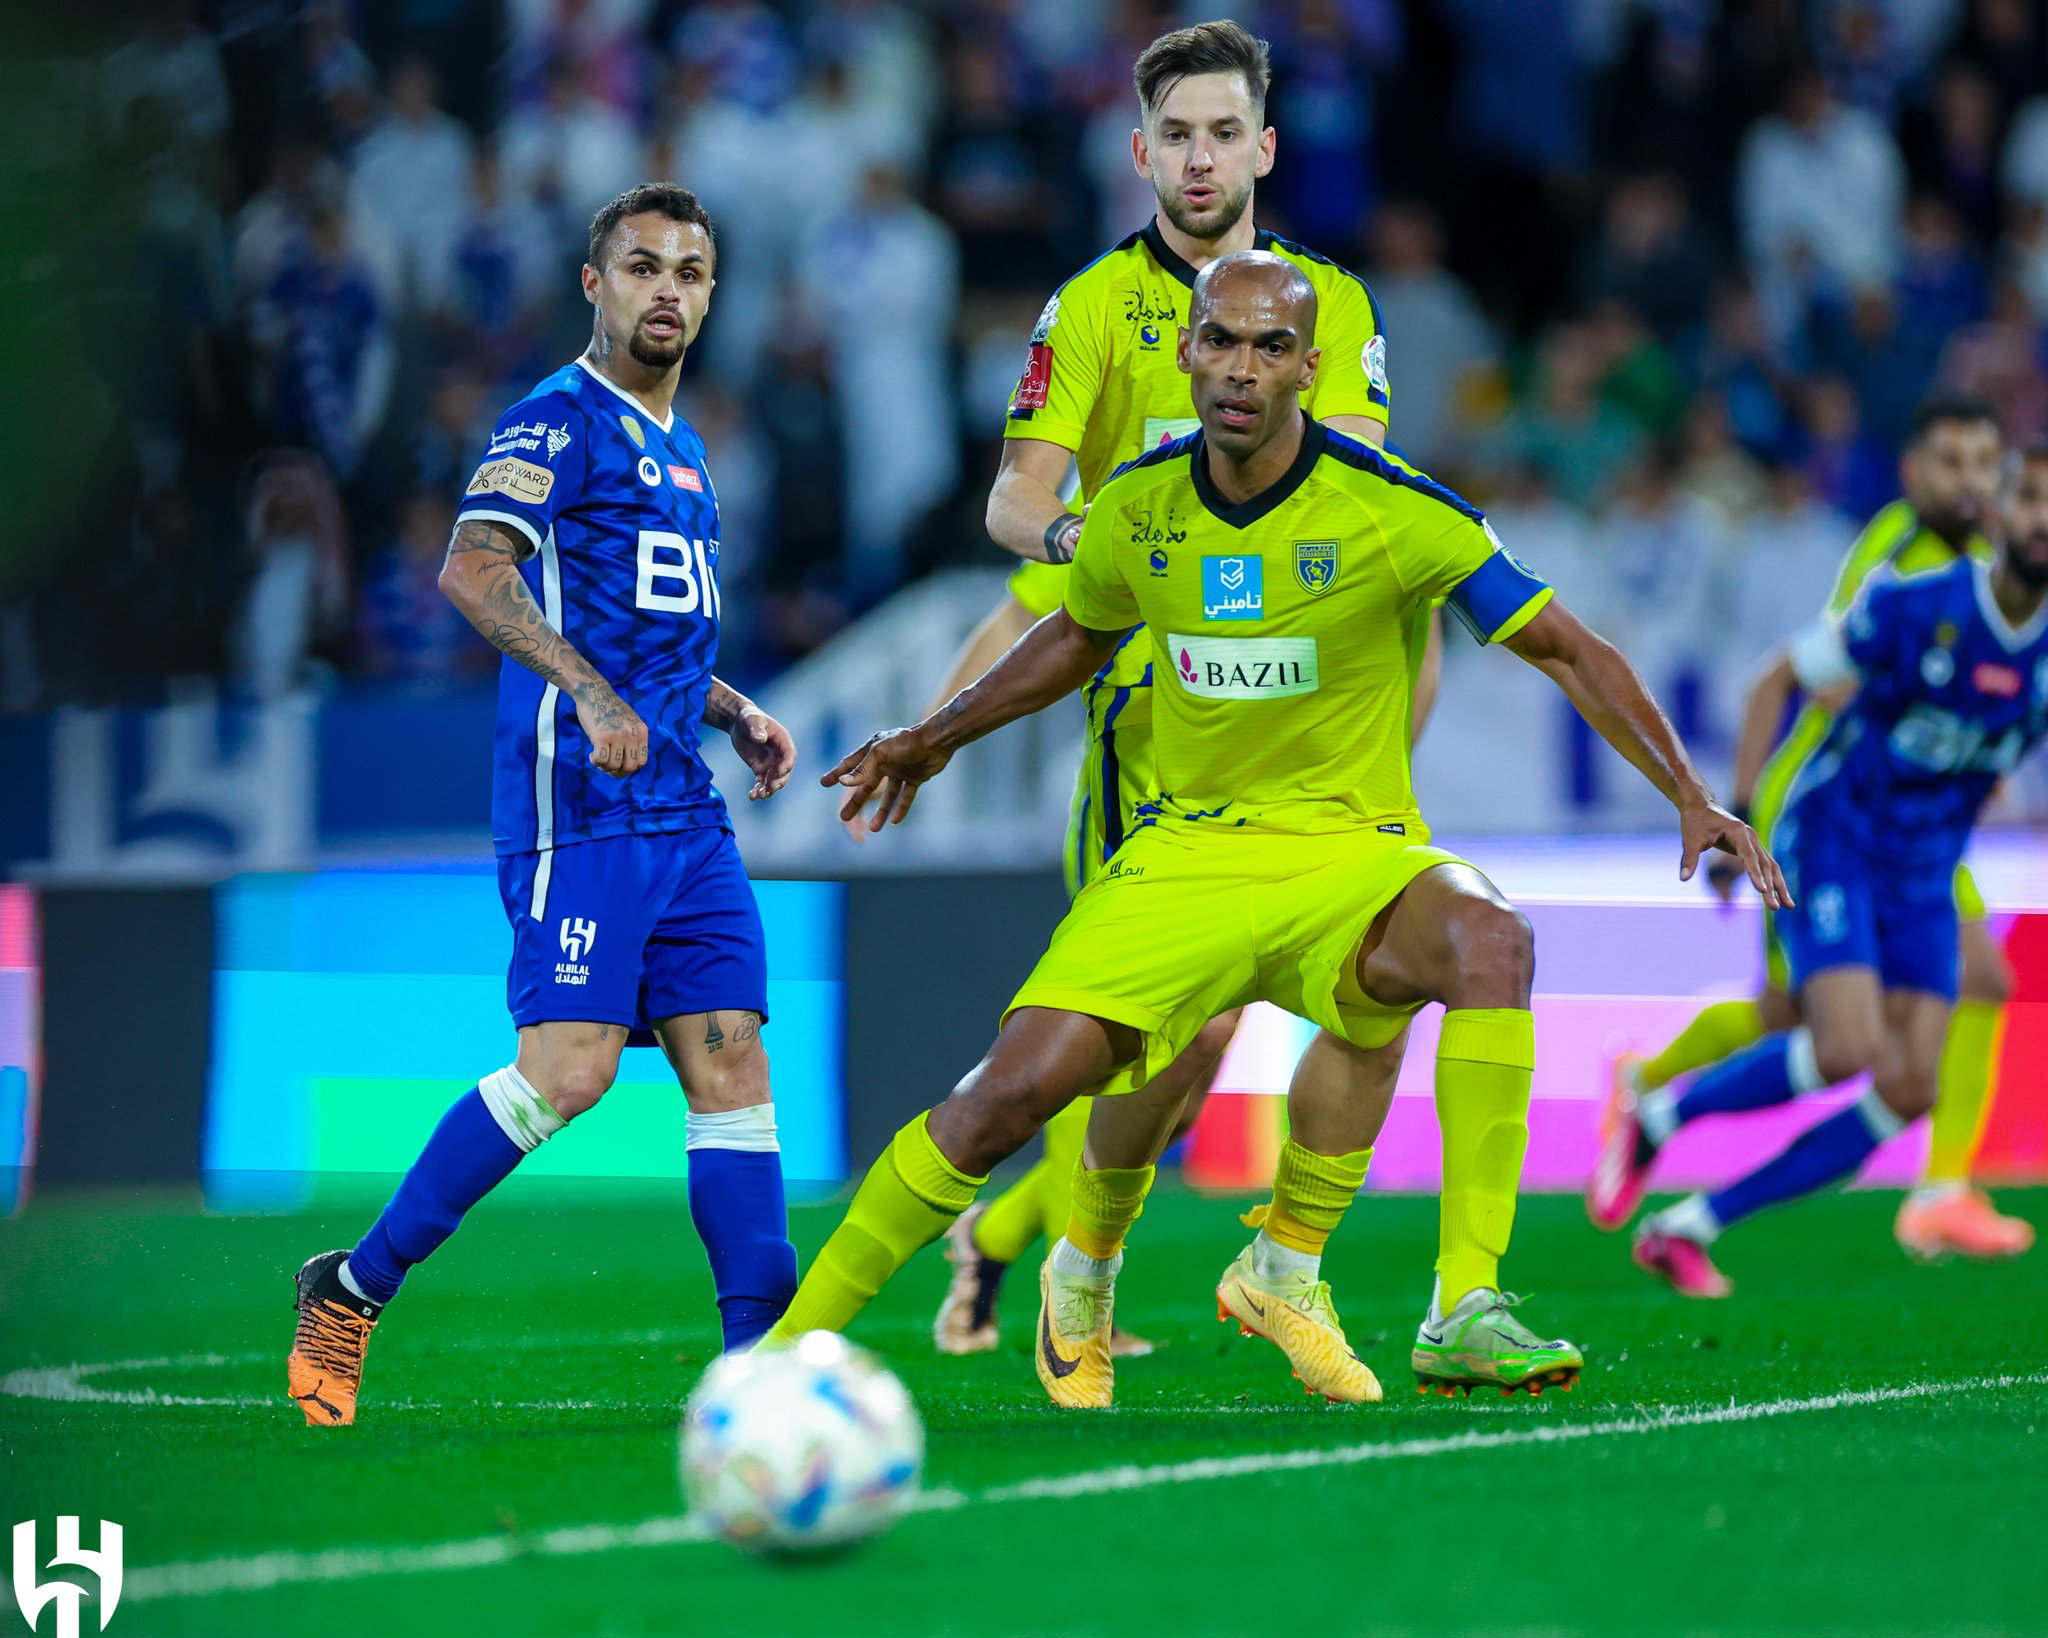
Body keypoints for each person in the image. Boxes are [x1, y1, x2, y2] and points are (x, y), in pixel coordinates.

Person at [771, 252, 1785, 1410]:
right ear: (1187, 352)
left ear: (1310, 366)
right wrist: (934, 734)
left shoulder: (1392, 508)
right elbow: (1069, 637)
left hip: (1351, 848)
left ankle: (1455, 1302)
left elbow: (1568, 647)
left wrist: (1687, 793)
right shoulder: (1137, 506)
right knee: (1006, 1095)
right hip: (1184, 850)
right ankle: (792, 1352)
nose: (1239, 369)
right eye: (1219, 342)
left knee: (1489, 941)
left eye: (1268, 348)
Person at [926, 18, 1442, 1361]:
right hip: (1147, 728)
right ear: (1140, 149)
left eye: (1227, 132)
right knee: (1161, 1034)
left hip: (1290, 729)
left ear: (1265, 148)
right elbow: (1018, 502)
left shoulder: (1333, 306)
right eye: (1178, 135)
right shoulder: (1094, 308)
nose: (1202, 158)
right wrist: (1087, 557)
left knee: (1233, 1031)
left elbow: (1358, 519)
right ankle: (1042, 1259)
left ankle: (1020, 1243)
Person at [286, 184, 802, 1426]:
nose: (665, 288)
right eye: (640, 266)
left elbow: (649, 626)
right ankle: (351, 1285)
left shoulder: (687, 453)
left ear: (711, 291)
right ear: (594, 282)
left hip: (684, 809)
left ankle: (761, 1377)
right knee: (565, 1077)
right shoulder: (556, 421)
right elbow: (473, 571)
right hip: (581, 804)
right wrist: (593, 699)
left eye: (689, 269)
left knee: (733, 1070)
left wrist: (729, 711)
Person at [1593, 396, 2030, 1261]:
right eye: (1953, 464)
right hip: (1831, 806)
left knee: (1944, 994)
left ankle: (1934, 1185)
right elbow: (1825, 677)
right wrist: (1748, 810)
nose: (1972, 484)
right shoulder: (1899, 562)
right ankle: (1651, 1092)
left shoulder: (1995, 565)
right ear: (1913, 473)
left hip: (1917, 826)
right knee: (1816, 1021)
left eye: (1986, 466)